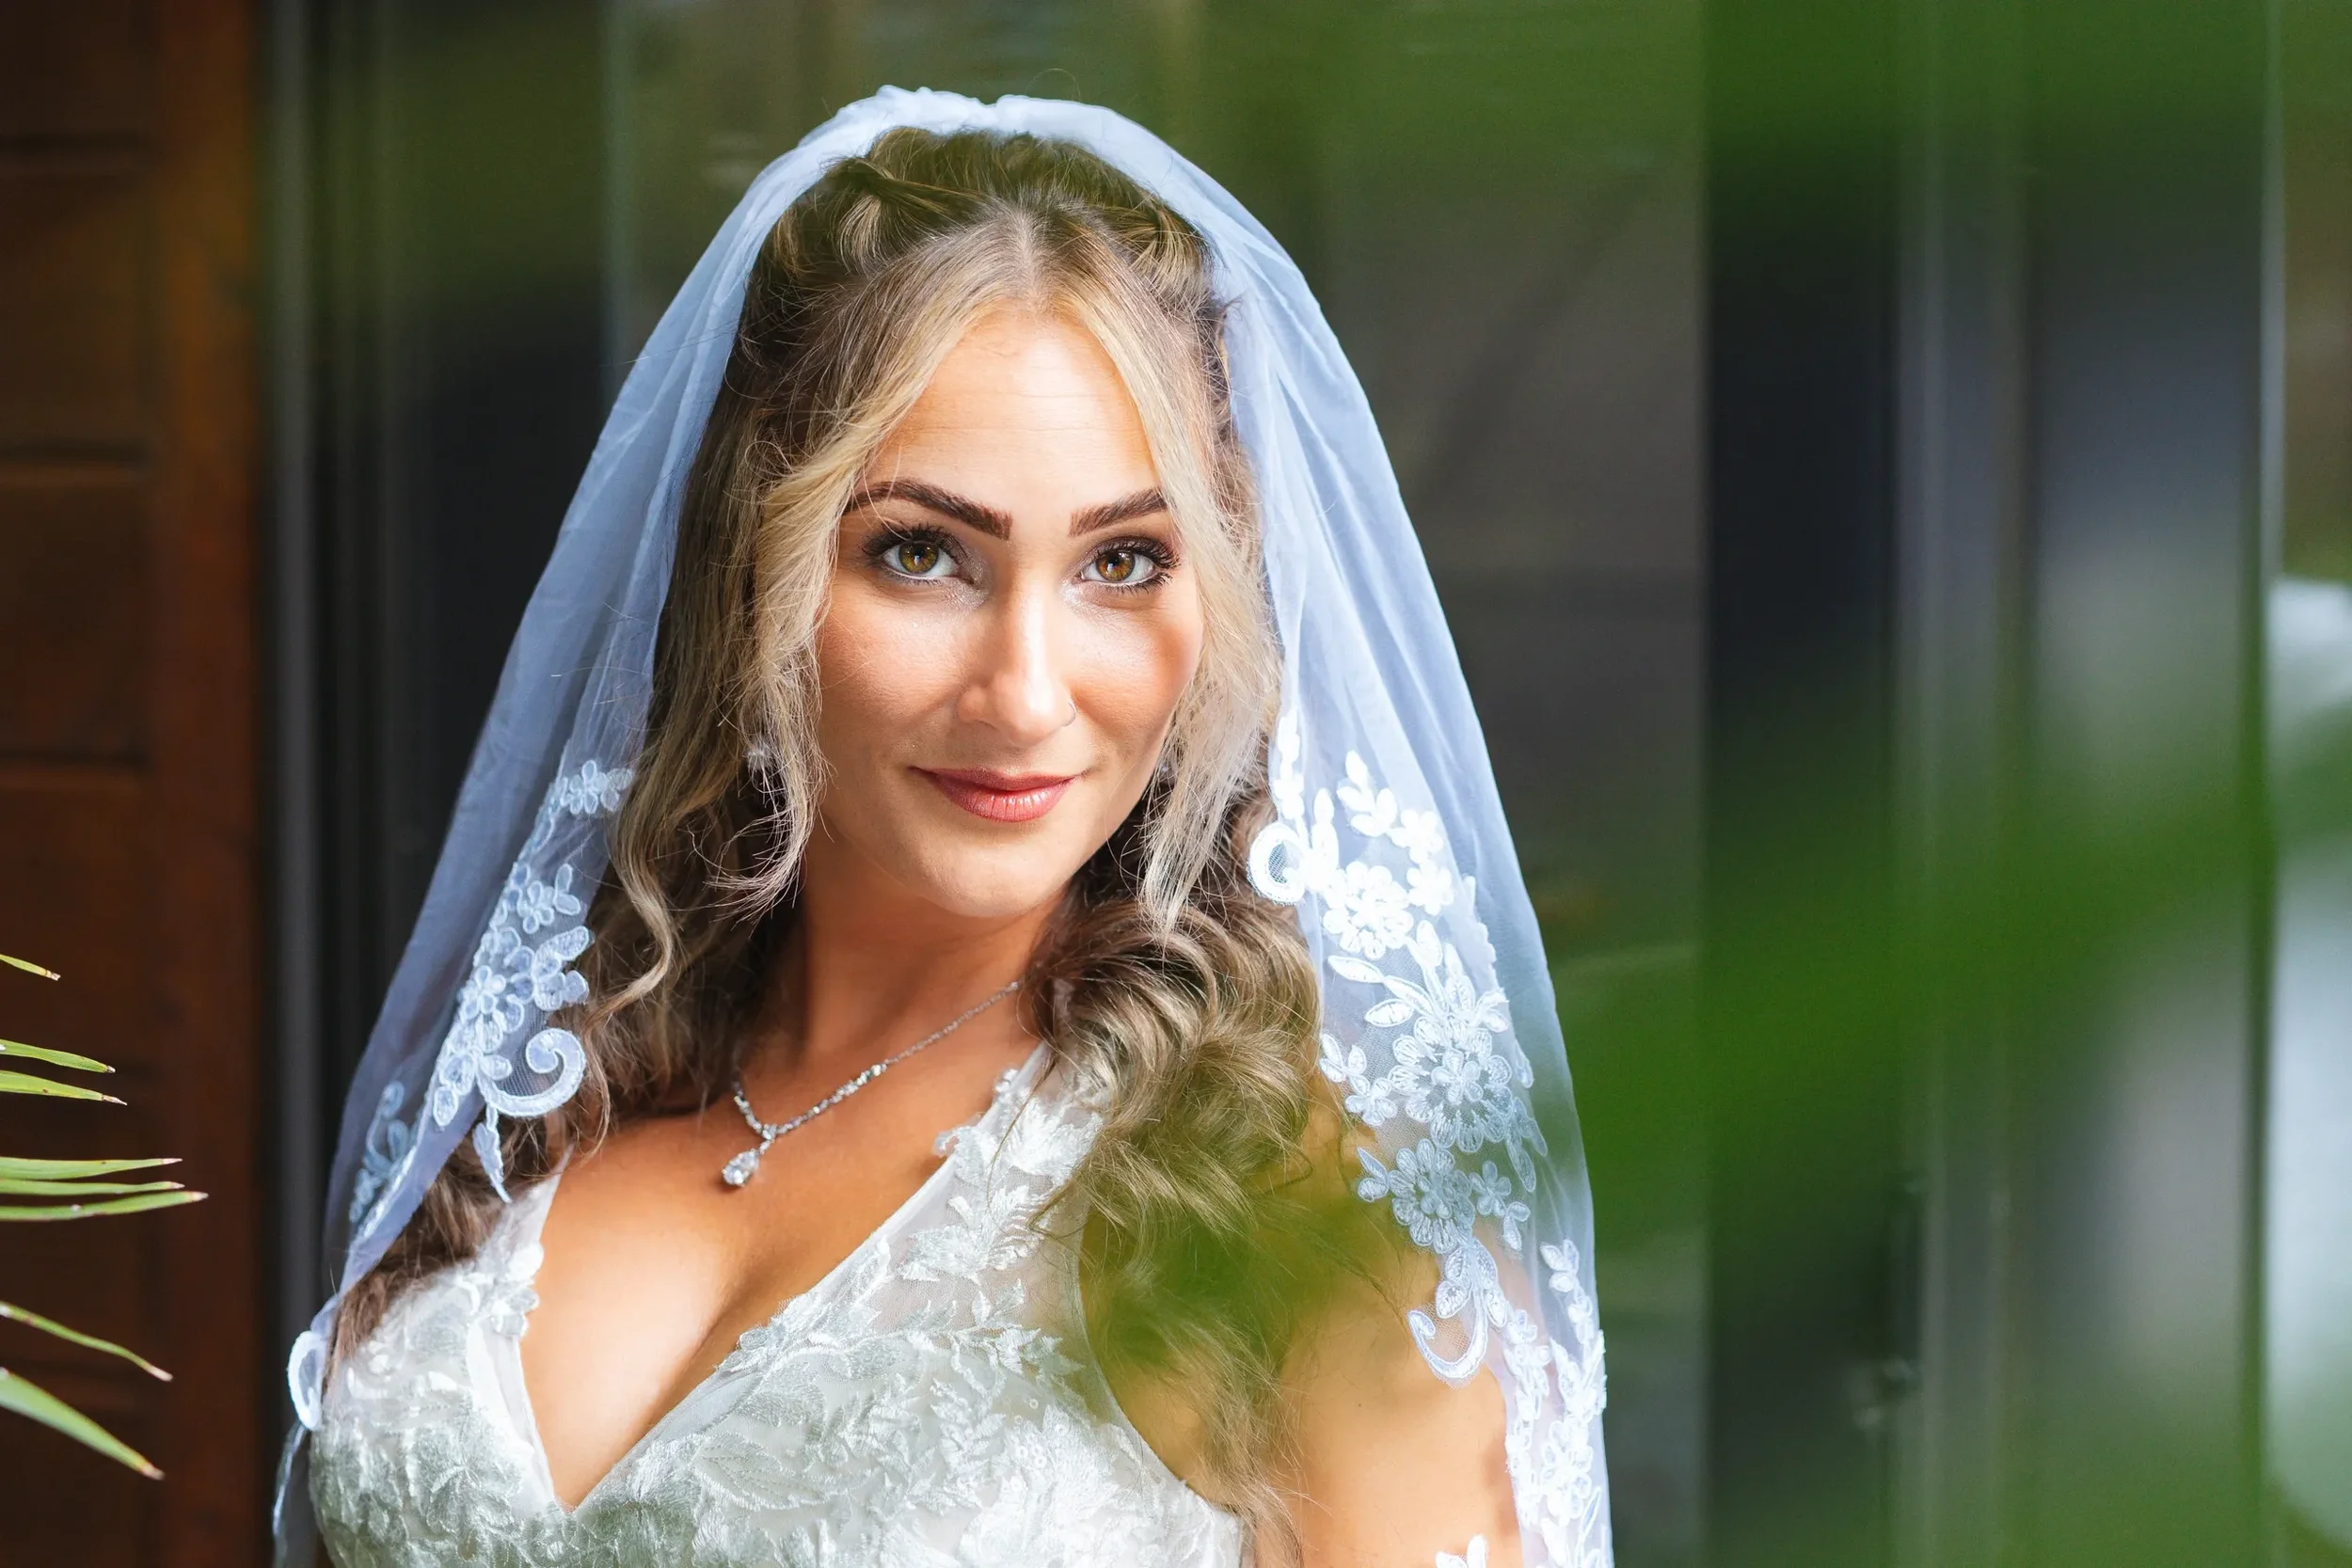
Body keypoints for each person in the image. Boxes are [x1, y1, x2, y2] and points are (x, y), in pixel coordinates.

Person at [284, 91, 1609, 1568]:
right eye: (922, 554)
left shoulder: (1307, 1222)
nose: (1026, 693)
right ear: (759, 572)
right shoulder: (552, 1089)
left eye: (1122, 561)